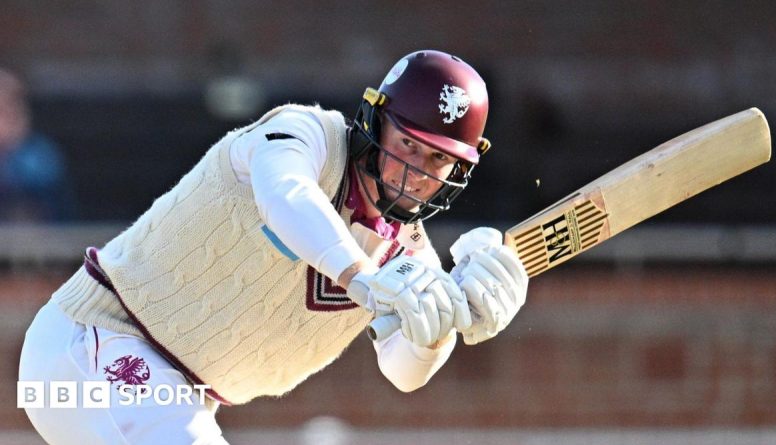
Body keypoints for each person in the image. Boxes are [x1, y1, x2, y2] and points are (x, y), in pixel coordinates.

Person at [18, 50, 528, 444]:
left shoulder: (407, 253)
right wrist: (361, 277)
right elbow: (285, 195)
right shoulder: (306, 133)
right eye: (408, 144)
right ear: (376, 123)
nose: (415, 173)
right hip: (95, 338)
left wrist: (439, 327)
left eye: (437, 160)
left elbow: (403, 373)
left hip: (178, 391)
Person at [0, 68, 74, 221]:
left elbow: (42, 195)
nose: (9, 112)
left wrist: (11, 149)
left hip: (39, 233)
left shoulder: (40, 154)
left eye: (14, 102)